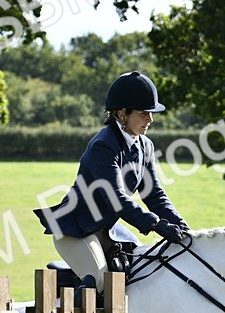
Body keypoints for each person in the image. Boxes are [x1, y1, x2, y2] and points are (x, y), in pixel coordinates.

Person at [33, 70, 190, 292]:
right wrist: (155, 224)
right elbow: (116, 198)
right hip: (76, 228)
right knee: (100, 281)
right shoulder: (103, 145)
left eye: (151, 113)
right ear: (122, 114)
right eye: (143, 113)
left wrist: (183, 228)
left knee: (144, 267)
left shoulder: (145, 145)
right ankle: (72, 310)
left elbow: (154, 194)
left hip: (109, 229)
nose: (150, 119)